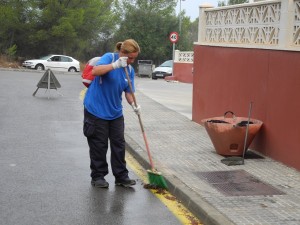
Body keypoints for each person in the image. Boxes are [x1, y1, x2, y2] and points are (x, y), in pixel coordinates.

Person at [83, 39, 141, 188]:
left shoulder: (130, 71)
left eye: (135, 58)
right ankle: (98, 177)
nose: (132, 61)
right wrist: (115, 65)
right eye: (131, 58)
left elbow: (129, 92)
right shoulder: (110, 57)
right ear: (122, 53)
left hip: (115, 112)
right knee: (99, 145)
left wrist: (134, 105)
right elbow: (96, 71)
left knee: (119, 144)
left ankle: (121, 176)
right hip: (96, 110)